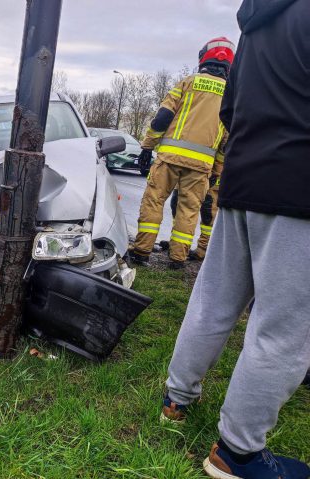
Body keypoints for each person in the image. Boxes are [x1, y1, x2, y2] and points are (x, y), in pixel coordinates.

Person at [163, 0, 310, 477]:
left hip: (245, 179)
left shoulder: (258, 22)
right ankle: (237, 453)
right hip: (299, 186)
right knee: (283, 329)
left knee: (213, 299)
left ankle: (175, 401)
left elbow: (231, 104)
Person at [129, 37, 232, 269]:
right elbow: (226, 141)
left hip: (169, 159)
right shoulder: (230, 95)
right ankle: (177, 259)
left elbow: (162, 118)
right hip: (202, 166)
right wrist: (216, 170)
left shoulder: (187, 83)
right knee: (189, 210)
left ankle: (141, 252)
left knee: (154, 201)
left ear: (204, 57)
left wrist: (147, 146)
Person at [168, 174, 221, 261]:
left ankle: (202, 249)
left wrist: (215, 173)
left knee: (208, 212)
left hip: (211, 173)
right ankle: (175, 245)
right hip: (188, 170)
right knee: (176, 203)